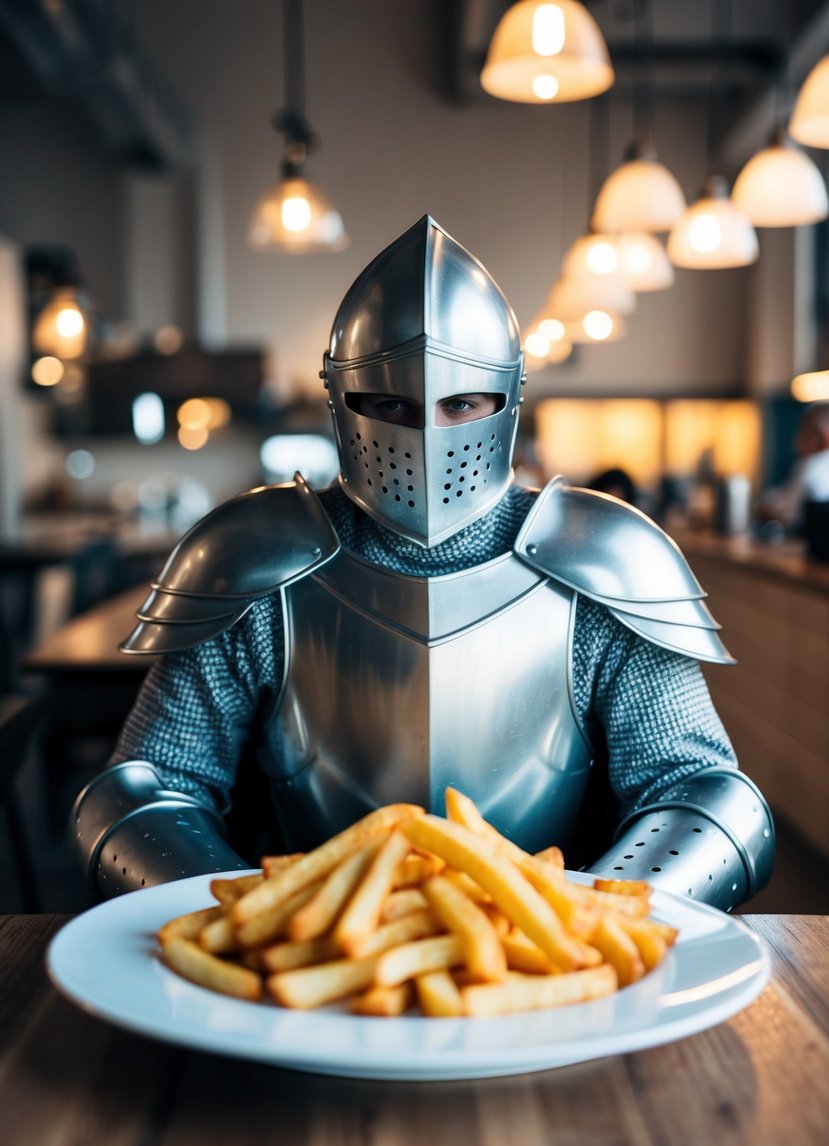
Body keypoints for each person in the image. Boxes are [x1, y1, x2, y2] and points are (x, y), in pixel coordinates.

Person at [73, 215, 774, 911]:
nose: (425, 441)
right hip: (306, 970)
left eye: (461, 404)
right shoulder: (254, 557)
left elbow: (700, 790)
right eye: (391, 405)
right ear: (341, 401)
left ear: (507, 401)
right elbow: (148, 786)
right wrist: (246, 924)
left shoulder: (602, 560)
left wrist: (592, 921)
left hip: (550, 967)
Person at [756, 403, 829, 531]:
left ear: (825, 436)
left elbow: (787, 515)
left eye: (805, 434)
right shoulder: (805, 464)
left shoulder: (813, 465)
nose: (797, 440)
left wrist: (769, 509)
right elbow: (779, 496)